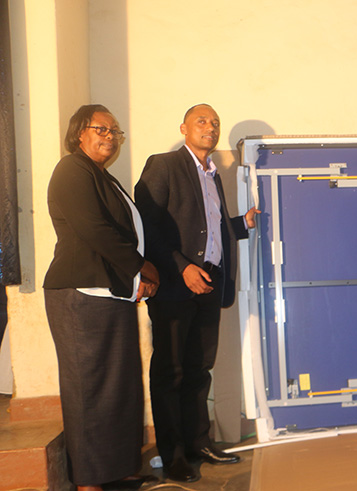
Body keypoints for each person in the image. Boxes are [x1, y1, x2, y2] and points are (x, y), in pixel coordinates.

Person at [135, 104, 259, 482]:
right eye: (202, 121)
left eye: (215, 123)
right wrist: (181, 266)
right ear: (184, 128)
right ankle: (171, 454)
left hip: (210, 283)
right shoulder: (164, 165)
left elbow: (209, 228)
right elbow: (148, 226)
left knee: (198, 369)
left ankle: (198, 443)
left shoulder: (212, 174)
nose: (210, 127)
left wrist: (242, 224)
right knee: (170, 371)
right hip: (175, 284)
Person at [43, 104, 159, 490]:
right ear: (80, 132)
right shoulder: (71, 169)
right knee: (89, 390)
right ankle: (90, 480)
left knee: (120, 387)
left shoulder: (102, 177)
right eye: (101, 129)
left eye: (115, 132)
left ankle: (119, 468)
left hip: (109, 294)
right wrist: (141, 265)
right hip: (80, 294)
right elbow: (94, 229)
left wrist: (133, 278)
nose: (110, 137)